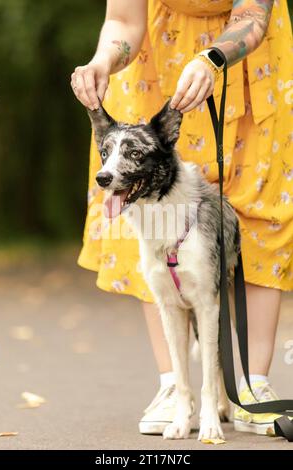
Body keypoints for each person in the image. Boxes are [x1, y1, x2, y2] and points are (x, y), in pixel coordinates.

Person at [71, 0, 293, 436]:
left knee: (261, 210)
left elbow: (252, 15)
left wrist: (213, 57)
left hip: (251, 63)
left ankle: (251, 385)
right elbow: (122, 20)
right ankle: (175, 385)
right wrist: (101, 61)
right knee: (147, 217)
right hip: (158, 62)